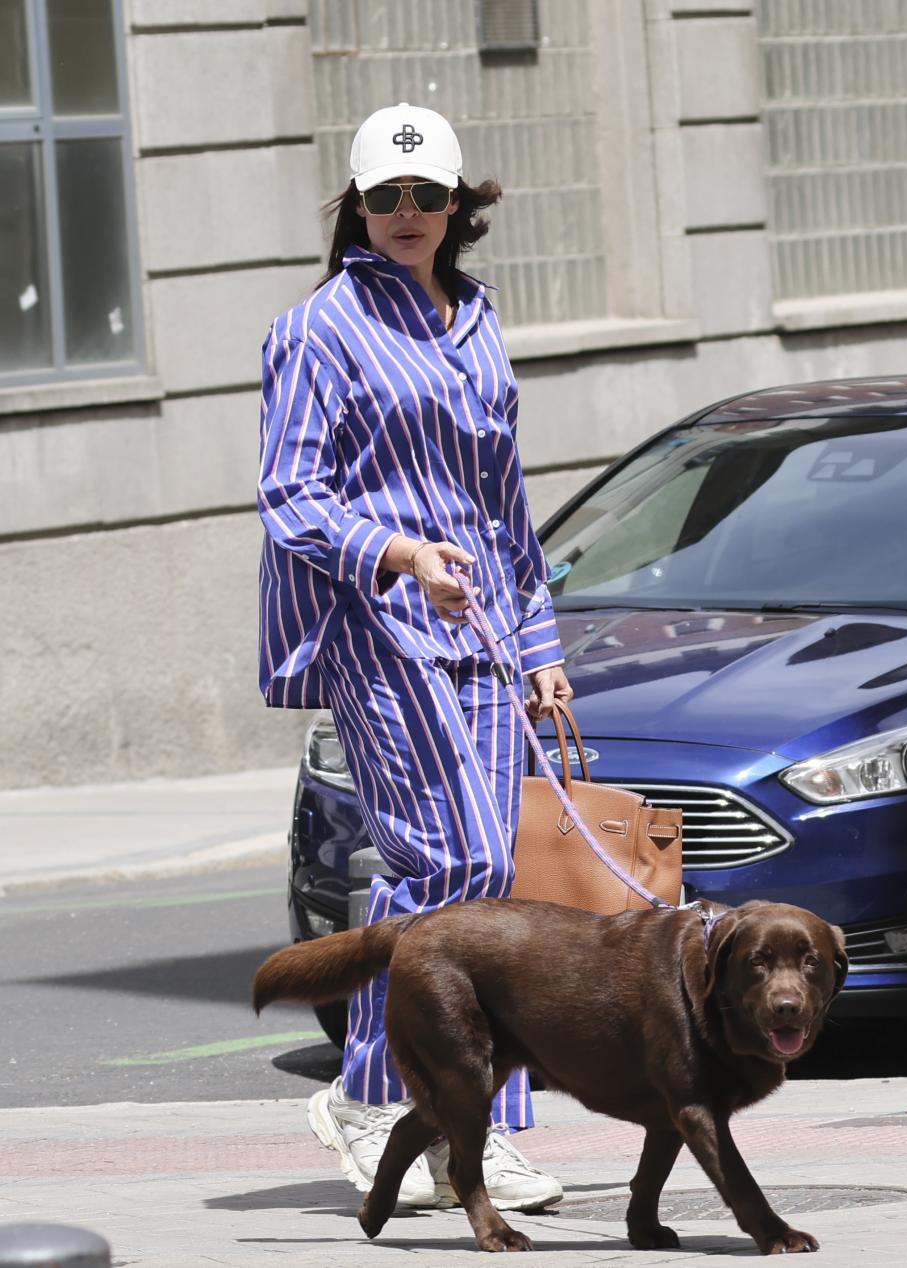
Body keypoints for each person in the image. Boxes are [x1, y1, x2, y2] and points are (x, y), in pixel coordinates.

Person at [257, 102, 573, 1211]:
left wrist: (539, 643)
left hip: (482, 632)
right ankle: (372, 1096)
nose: (405, 212)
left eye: (425, 195)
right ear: (356, 205)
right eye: (383, 196)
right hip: (378, 625)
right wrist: (397, 552)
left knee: (471, 879)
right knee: (457, 857)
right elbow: (290, 496)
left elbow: (503, 500)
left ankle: (460, 1130)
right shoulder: (317, 330)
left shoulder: (476, 319)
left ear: (455, 206)